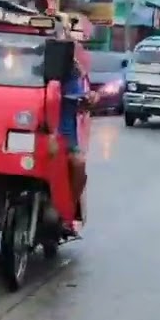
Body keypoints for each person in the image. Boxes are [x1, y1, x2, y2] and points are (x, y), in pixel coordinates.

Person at [62, 44, 97, 218]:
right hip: (35, 137)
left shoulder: (73, 73)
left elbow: (83, 102)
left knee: (78, 164)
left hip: (66, 139)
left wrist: (90, 99)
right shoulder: (34, 67)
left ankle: (69, 208)